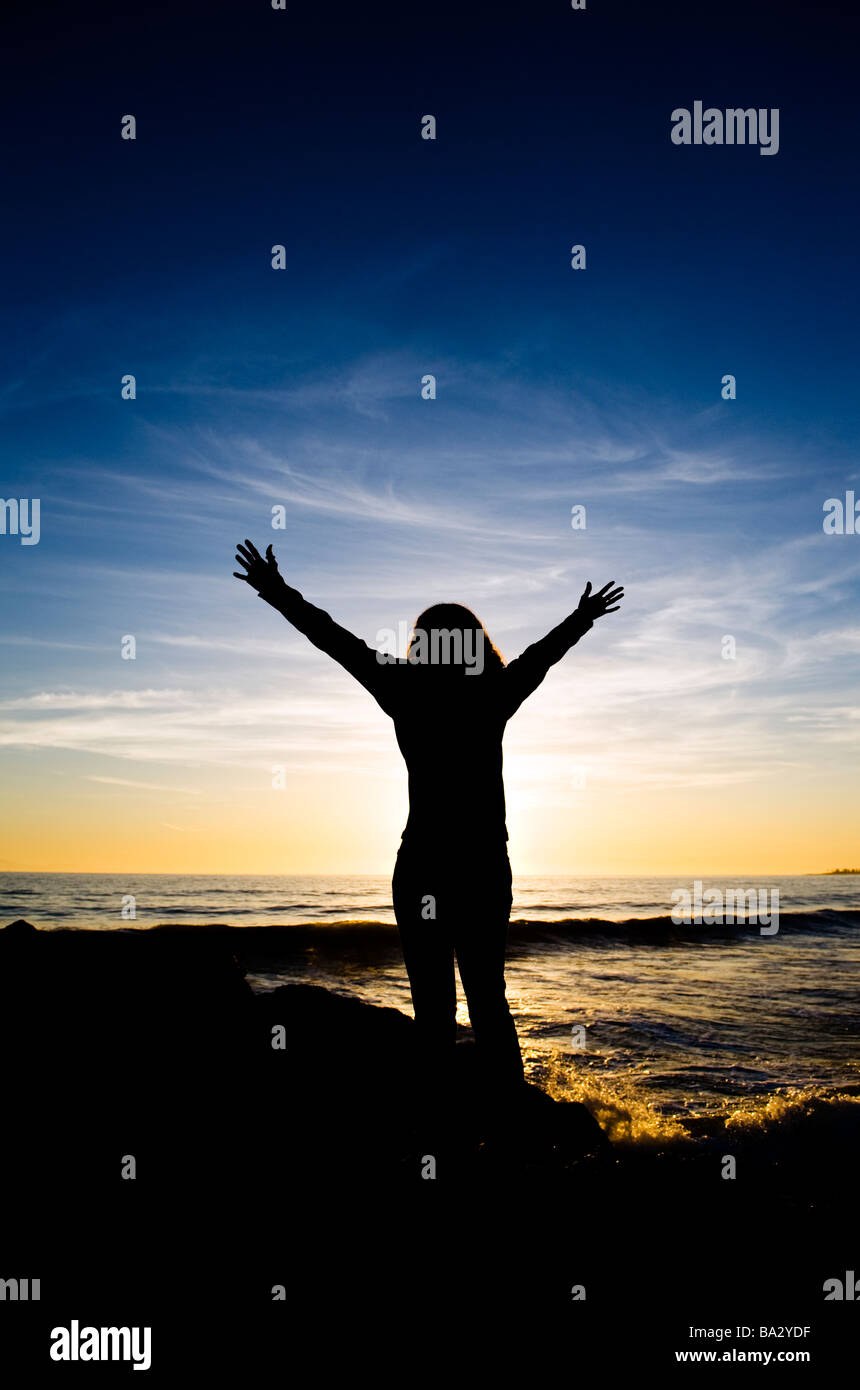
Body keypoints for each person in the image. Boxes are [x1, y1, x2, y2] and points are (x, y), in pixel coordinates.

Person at [234, 539, 623, 1104]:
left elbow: (332, 638)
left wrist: (275, 589)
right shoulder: (494, 691)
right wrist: (582, 617)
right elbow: (545, 653)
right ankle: (509, 1123)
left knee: (433, 1002)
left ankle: (439, 1133)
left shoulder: (404, 689)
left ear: (421, 645)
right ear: (476, 646)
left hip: (423, 864)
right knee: (488, 996)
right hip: (484, 863)